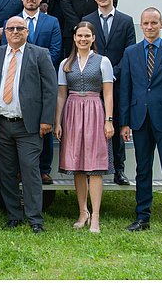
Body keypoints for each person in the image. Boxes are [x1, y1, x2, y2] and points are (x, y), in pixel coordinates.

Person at [0, 16, 57, 234]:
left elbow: (50, 89)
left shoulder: (40, 54)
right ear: (5, 32)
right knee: (6, 172)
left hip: (28, 126)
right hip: (0, 124)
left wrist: (46, 119)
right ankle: (13, 215)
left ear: (26, 31)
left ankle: (35, 219)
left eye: (19, 28)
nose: (15, 32)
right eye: (11, 28)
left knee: (30, 171)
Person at [120, 7, 162, 236]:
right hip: (139, 120)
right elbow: (126, 89)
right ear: (141, 25)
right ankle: (142, 217)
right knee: (143, 169)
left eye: (153, 23)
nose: (149, 27)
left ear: (161, 24)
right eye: (146, 23)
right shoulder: (131, 52)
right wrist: (125, 122)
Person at [54, 21, 115, 234]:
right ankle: (83, 212)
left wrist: (109, 120)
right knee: (77, 165)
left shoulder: (102, 61)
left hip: (94, 110)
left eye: (87, 36)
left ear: (93, 38)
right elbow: (61, 95)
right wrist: (57, 121)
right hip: (72, 111)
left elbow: (108, 93)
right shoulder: (65, 63)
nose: (83, 39)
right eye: (80, 35)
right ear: (74, 38)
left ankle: (96, 215)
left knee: (95, 166)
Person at [2, 0, 61, 185]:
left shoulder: (51, 22)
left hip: (43, 80)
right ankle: (20, 170)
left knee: (44, 126)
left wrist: (37, 69)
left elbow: (55, 50)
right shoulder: (12, 22)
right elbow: (6, 49)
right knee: (23, 128)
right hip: (16, 79)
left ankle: (44, 169)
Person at [82, 0, 136, 185]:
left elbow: (129, 52)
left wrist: (112, 73)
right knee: (93, 126)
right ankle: (90, 168)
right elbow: (84, 48)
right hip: (93, 82)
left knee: (116, 123)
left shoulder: (126, 21)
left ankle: (119, 169)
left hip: (117, 81)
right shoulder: (87, 19)